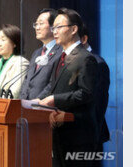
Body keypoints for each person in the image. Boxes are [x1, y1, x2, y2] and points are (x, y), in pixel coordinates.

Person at [36, 8, 98, 167]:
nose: (54, 31)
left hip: (78, 137)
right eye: (53, 28)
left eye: (58, 27)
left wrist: (54, 99)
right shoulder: (59, 59)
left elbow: (86, 93)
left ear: (73, 29)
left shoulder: (86, 58)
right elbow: (55, 89)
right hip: (58, 133)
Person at [80, 24, 110, 167]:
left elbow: (98, 105)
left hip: (89, 138)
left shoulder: (98, 63)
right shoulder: (70, 62)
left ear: (83, 39)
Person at [20, 8, 62, 100]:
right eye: (36, 24)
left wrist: (37, 102)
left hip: (44, 108)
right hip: (27, 108)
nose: (37, 27)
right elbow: (27, 80)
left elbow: (53, 84)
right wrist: (22, 101)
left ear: (53, 26)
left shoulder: (61, 51)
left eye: (41, 23)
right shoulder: (36, 53)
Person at [0, 24, 29, 99]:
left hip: (7, 108)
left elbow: (15, 92)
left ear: (14, 43)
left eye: (3, 40)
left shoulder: (21, 62)